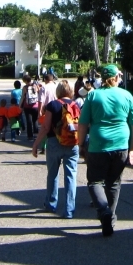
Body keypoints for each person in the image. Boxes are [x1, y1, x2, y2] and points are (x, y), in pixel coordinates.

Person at [77, 64, 133, 237]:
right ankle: (109, 217)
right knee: (114, 182)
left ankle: (104, 211)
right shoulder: (126, 95)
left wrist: (80, 143)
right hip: (121, 145)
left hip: (98, 145)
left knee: (95, 181)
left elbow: (82, 124)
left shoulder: (93, 95)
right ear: (116, 77)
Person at [32, 80, 81, 219]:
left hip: (54, 142)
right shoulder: (76, 105)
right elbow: (81, 125)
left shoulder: (52, 105)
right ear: (71, 91)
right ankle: (69, 209)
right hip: (72, 143)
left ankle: (51, 203)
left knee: (53, 173)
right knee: (71, 176)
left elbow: (46, 127)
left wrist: (36, 144)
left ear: (58, 91)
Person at [22, 74, 40, 141]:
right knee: (35, 120)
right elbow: (39, 94)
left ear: (25, 80)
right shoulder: (35, 85)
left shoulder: (25, 87)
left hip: (27, 106)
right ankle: (36, 135)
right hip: (35, 106)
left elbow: (23, 97)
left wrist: (20, 105)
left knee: (29, 121)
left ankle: (30, 136)